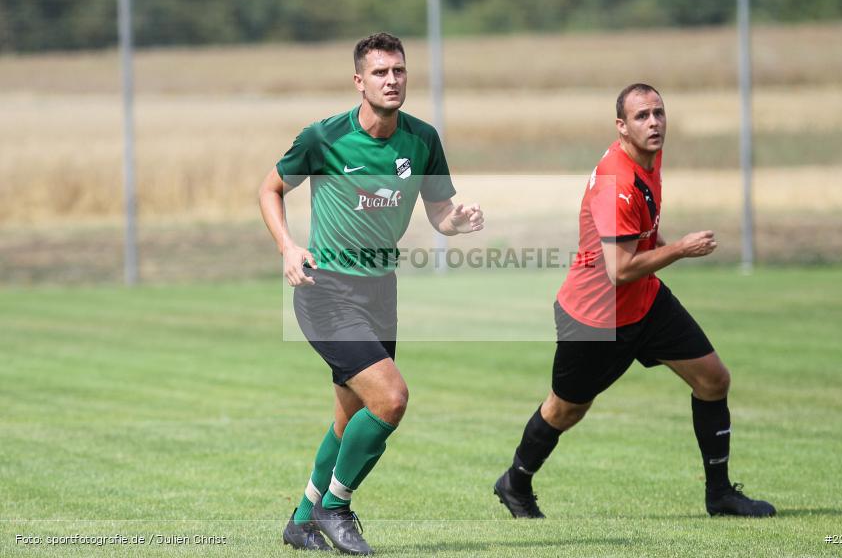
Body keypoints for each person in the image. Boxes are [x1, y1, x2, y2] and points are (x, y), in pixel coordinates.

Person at [493, 83, 775, 519]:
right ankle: (515, 482)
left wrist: (659, 244)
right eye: (642, 116)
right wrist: (679, 248)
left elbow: (637, 238)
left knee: (713, 379)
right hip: (595, 317)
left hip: (645, 301)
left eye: (658, 113)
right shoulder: (618, 183)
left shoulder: (649, 157)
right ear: (621, 127)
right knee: (566, 409)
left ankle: (719, 494)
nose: (654, 123)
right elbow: (620, 269)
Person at [259, 32, 484, 555]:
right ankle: (335, 507)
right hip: (326, 291)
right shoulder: (324, 137)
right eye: (380, 72)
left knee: (349, 418)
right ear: (359, 81)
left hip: (381, 293)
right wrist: (288, 247)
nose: (391, 80)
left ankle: (301, 522)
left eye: (399, 70)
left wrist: (459, 220)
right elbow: (270, 188)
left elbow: (439, 213)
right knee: (390, 399)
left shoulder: (422, 139)